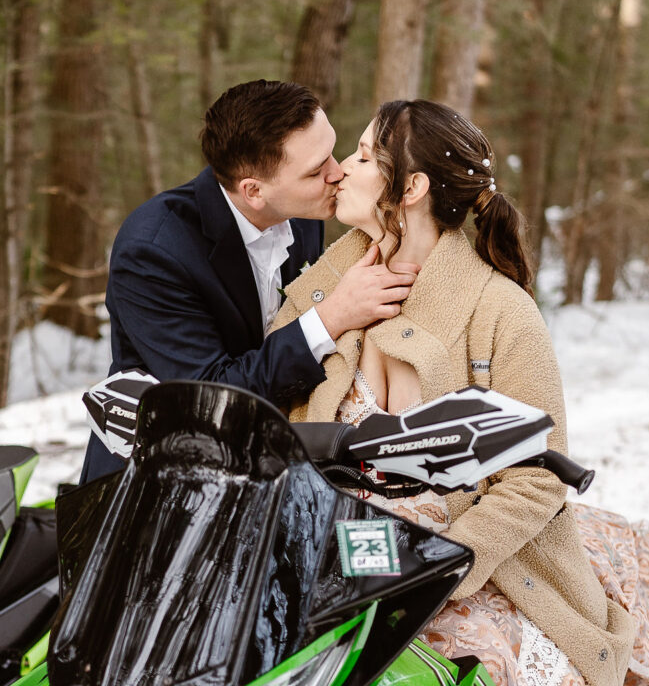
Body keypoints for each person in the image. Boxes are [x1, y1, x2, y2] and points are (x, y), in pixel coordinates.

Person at [273, 100, 649, 686]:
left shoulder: (500, 308)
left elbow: (536, 477)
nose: (344, 170)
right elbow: (274, 417)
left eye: (363, 154)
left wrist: (449, 564)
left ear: (412, 186)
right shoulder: (323, 284)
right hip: (327, 550)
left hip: (465, 563)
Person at [80, 80, 418, 483]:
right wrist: (331, 317)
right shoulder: (153, 252)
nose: (338, 171)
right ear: (254, 191)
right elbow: (212, 395)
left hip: (272, 469)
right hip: (161, 485)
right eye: (316, 169)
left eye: (332, 151)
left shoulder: (304, 212)